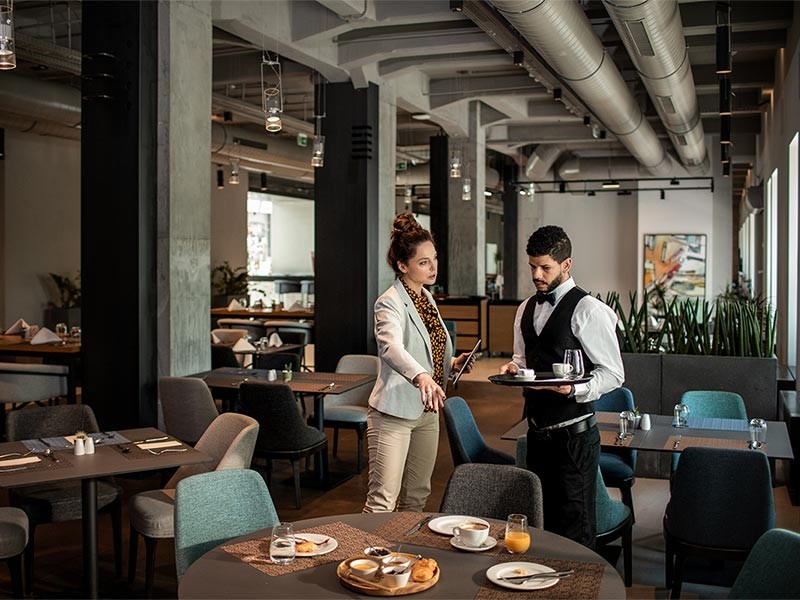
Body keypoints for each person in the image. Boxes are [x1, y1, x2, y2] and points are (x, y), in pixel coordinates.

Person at [500, 225, 624, 548]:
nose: (537, 275)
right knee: (543, 526)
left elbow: (613, 373)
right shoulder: (525, 309)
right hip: (537, 435)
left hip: (575, 440)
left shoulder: (588, 310)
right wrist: (514, 369)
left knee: (576, 529)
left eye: (545, 267)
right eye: (532, 267)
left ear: (566, 265)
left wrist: (575, 390)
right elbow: (522, 360)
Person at [363, 213, 475, 513]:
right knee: (382, 501)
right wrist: (422, 376)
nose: (433, 267)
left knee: (417, 497)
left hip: (426, 411)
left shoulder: (427, 298)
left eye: (434, 258)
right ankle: (363, 559)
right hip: (394, 413)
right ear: (403, 266)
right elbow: (392, 348)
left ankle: (404, 559)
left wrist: (450, 361)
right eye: (424, 262)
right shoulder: (389, 301)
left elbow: (425, 346)